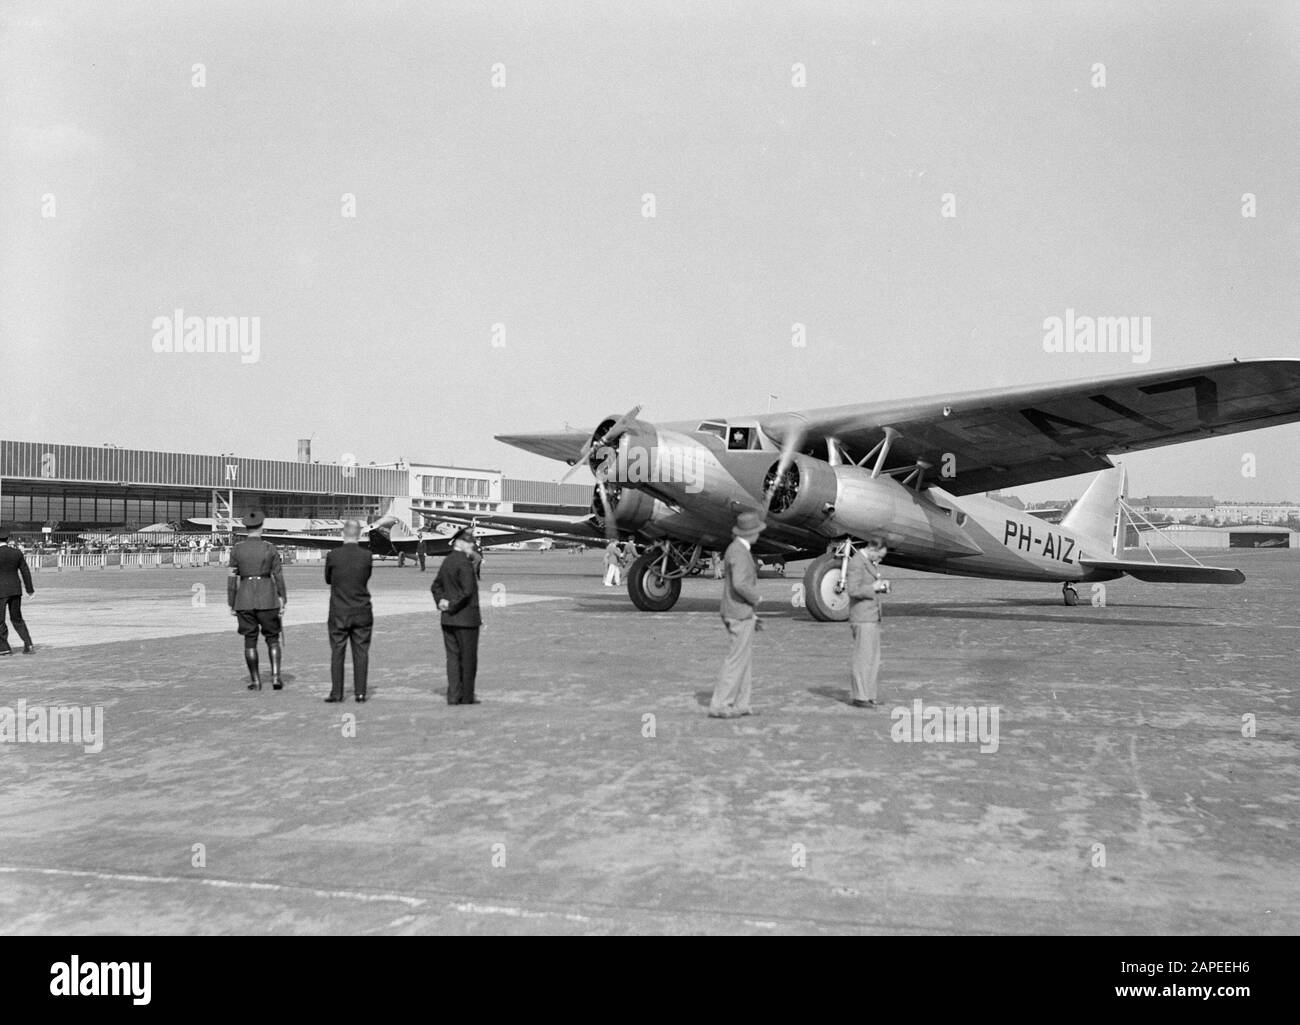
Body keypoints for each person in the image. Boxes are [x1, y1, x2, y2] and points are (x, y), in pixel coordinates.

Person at [708, 509, 765, 719]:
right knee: (736, 660)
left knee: (743, 660)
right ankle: (720, 704)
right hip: (738, 612)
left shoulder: (736, 549)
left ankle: (741, 703)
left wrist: (753, 615)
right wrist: (755, 598)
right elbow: (740, 584)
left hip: (739, 611)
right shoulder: (739, 551)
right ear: (751, 533)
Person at [227, 511, 287, 690]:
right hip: (268, 598)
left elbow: (231, 580)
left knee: (249, 640)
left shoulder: (237, 549)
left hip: (244, 599)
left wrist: (232, 602)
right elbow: (278, 576)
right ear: (262, 527)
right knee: (273, 638)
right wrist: (283, 598)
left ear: (246, 528)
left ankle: (255, 681)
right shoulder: (270, 548)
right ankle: (276, 677)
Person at [324, 520, 373, 703]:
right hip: (362, 609)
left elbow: (328, 579)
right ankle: (360, 692)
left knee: (337, 652)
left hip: (339, 610)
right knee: (361, 652)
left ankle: (337, 693)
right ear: (359, 534)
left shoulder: (333, 555)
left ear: (343, 533)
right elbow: (366, 577)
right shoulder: (366, 556)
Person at [431, 528, 482, 705]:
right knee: (468, 660)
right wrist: (452, 605)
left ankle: (453, 696)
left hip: (448, 620)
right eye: (469, 542)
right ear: (460, 543)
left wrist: (441, 602)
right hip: (466, 619)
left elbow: (435, 586)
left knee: (452, 659)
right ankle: (467, 697)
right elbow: (467, 591)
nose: (472, 545)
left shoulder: (447, 561)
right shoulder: (464, 563)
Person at [845, 539, 888, 708]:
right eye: (879, 555)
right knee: (863, 658)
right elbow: (853, 590)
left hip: (871, 616)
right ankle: (860, 697)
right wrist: (875, 588)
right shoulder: (856, 563)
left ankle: (869, 695)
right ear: (871, 548)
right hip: (862, 617)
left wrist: (882, 587)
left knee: (873, 658)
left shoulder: (867, 561)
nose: (880, 559)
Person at [0, 527, 36, 655]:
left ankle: (4, 647)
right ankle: (29, 644)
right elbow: (25, 571)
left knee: (0, 620)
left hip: (1, 592)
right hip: (15, 589)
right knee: (17, 618)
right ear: (8, 539)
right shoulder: (17, 553)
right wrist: (30, 589)